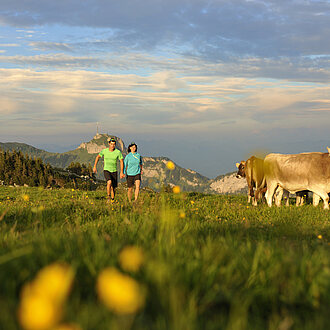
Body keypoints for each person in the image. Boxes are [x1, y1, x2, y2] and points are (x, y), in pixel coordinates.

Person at [93, 137, 125, 202]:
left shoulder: (118, 152)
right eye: (111, 144)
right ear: (109, 144)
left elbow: (121, 161)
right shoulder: (104, 151)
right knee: (109, 182)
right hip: (106, 170)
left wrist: (122, 172)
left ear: (115, 145)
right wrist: (94, 166)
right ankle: (108, 197)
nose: (112, 146)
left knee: (113, 188)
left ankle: (112, 200)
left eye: (114, 144)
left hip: (114, 171)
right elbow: (98, 157)